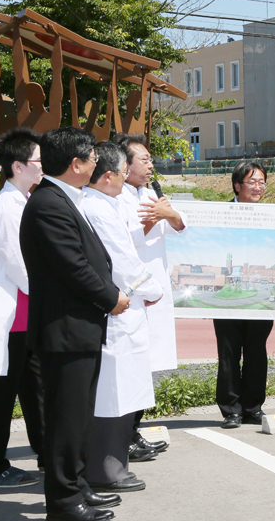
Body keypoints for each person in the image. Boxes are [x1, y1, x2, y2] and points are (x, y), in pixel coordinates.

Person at [21, 127, 130, 521]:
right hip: (64, 330)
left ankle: (78, 485)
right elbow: (74, 268)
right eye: (90, 158)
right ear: (76, 164)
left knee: (79, 417)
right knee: (66, 422)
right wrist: (111, 296)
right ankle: (65, 503)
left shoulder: (65, 197)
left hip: (80, 328)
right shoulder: (49, 203)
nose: (95, 164)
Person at [82, 142, 163, 494]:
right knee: (114, 397)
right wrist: (153, 288)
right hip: (118, 311)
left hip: (117, 310)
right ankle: (107, 469)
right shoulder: (100, 209)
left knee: (117, 394)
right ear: (112, 174)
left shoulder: (100, 203)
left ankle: (108, 465)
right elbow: (125, 262)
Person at [0, 128, 45, 488]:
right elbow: (18, 263)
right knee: (0, 395)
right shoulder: (7, 206)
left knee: (32, 388)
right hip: (14, 315)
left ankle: (48, 453)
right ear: (18, 166)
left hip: (25, 313)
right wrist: (46, 293)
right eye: (37, 160)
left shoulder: (21, 201)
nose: (42, 166)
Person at [112, 133, 186, 457]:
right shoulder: (117, 198)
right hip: (134, 291)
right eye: (143, 159)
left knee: (149, 366)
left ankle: (134, 431)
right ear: (125, 166)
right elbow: (123, 245)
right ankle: (122, 436)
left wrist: (165, 214)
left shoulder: (153, 193)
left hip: (157, 291)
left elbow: (181, 224)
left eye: (150, 158)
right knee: (132, 367)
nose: (150, 164)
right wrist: (153, 220)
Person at [214, 162, 274, 429]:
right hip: (227, 296)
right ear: (237, 186)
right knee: (228, 353)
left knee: (256, 352)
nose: (258, 187)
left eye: (262, 182)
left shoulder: (273, 219)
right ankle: (231, 410)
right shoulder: (220, 216)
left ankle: (253, 407)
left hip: (259, 297)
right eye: (252, 182)